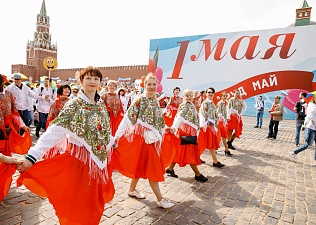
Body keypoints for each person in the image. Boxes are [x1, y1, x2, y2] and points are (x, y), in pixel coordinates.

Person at [17, 66, 115, 225]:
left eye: (96, 78)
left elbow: (103, 129)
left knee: (95, 205)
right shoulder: (74, 105)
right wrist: (33, 156)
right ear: (81, 81)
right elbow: (54, 131)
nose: (92, 81)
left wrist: (112, 141)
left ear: (100, 82)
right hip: (80, 164)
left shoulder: (100, 104)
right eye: (88, 78)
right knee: (79, 205)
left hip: (99, 165)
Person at [112, 73, 174, 209]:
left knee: (141, 164)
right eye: (149, 84)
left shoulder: (155, 100)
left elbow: (159, 121)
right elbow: (127, 119)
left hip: (153, 139)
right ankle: (160, 199)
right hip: (144, 140)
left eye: (153, 84)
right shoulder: (140, 99)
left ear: (157, 86)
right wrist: (117, 135)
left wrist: (166, 128)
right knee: (152, 167)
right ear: (144, 85)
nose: (151, 87)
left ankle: (132, 190)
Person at [0, 74, 31, 202]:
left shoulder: (7, 94)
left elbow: (15, 112)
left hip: (4, 130)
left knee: (4, 155)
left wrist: (22, 125)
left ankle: (3, 183)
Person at [166, 89, 208, 182]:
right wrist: (173, 127)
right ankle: (197, 174)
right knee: (189, 153)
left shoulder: (190, 105)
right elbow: (179, 117)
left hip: (189, 131)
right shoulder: (184, 105)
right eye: (187, 95)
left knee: (180, 151)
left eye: (190, 95)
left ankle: (170, 169)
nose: (189, 97)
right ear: (184, 97)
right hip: (186, 132)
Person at [198, 87, 225, 167]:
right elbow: (202, 113)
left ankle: (198, 157)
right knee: (207, 144)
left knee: (208, 144)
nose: (210, 93)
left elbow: (215, 114)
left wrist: (216, 123)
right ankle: (215, 161)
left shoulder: (212, 103)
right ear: (206, 94)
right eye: (209, 92)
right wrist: (202, 125)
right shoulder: (205, 103)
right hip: (207, 126)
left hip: (212, 126)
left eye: (212, 92)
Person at [289, 93, 316, 166]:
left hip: (311, 125)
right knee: (307, 144)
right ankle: (294, 152)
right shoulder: (311, 106)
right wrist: (305, 124)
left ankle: (315, 161)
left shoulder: (310, 105)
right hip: (311, 127)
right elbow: (309, 116)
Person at [217, 91, 233, 156]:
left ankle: (226, 149)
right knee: (222, 136)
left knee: (223, 136)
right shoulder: (220, 103)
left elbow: (225, 112)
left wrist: (227, 118)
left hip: (223, 121)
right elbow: (218, 112)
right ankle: (226, 150)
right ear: (221, 97)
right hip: (220, 121)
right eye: (224, 96)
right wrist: (223, 119)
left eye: (226, 96)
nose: (225, 97)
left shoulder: (225, 103)